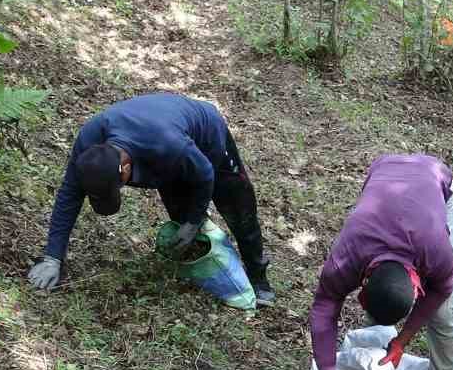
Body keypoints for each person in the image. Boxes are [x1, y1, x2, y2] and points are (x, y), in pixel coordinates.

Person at [27, 93, 275, 304]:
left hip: (206, 135)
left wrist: (194, 220)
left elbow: (205, 174)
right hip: (161, 154)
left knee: (237, 208)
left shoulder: (168, 146)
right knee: (183, 219)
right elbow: (68, 195)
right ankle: (209, 269)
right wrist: (52, 257)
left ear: (124, 171)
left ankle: (257, 276)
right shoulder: (90, 142)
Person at [310, 154, 453, 370]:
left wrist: (402, 341)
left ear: (418, 284)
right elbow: (324, 305)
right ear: (362, 282)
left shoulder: (437, 253)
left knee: (445, 312)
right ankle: (379, 325)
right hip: (385, 174)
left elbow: (441, 289)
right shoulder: (349, 254)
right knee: (386, 308)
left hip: (435, 184)